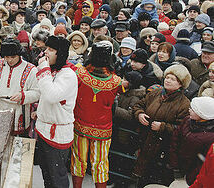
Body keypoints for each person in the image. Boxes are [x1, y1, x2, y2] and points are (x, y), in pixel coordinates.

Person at [71, 41, 123, 188]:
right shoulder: (115, 82)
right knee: (100, 163)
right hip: (103, 128)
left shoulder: (79, 73)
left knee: (78, 160)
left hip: (80, 124)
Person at [132, 64, 191, 187]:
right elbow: (138, 105)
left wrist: (163, 127)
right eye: (167, 77)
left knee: (153, 177)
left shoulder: (184, 104)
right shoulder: (156, 93)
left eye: (173, 79)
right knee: (139, 173)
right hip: (144, 140)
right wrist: (140, 114)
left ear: (181, 84)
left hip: (162, 148)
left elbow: (182, 128)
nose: (168, 80)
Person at [35, 36, 77, 188]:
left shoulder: (68, 75)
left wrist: (44, 69)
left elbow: (52, 96)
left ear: (60, 54)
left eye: (51, 50)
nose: (46, 52)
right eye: (46, 49)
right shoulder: (52, 71)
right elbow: (42, 93)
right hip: (43, 129)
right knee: (46, 171)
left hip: (57, 133)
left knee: (57, 176)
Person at [0, 39, 40, 135]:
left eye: (13, 57)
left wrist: (23, 95)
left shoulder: (31, 69)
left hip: (18, 110)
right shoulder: (0, 64)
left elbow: (37, 93)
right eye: (6, 57)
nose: (9, 60)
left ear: (19, 55)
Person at [168, 96, 214, 186]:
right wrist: (175, 166)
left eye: (193, 109)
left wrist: (190, 177)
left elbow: (202, 162)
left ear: (202, 114)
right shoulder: (187, 120)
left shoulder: (210, 137)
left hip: (190, 176)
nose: (189, 110)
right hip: (175, 167)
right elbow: (175, 140)